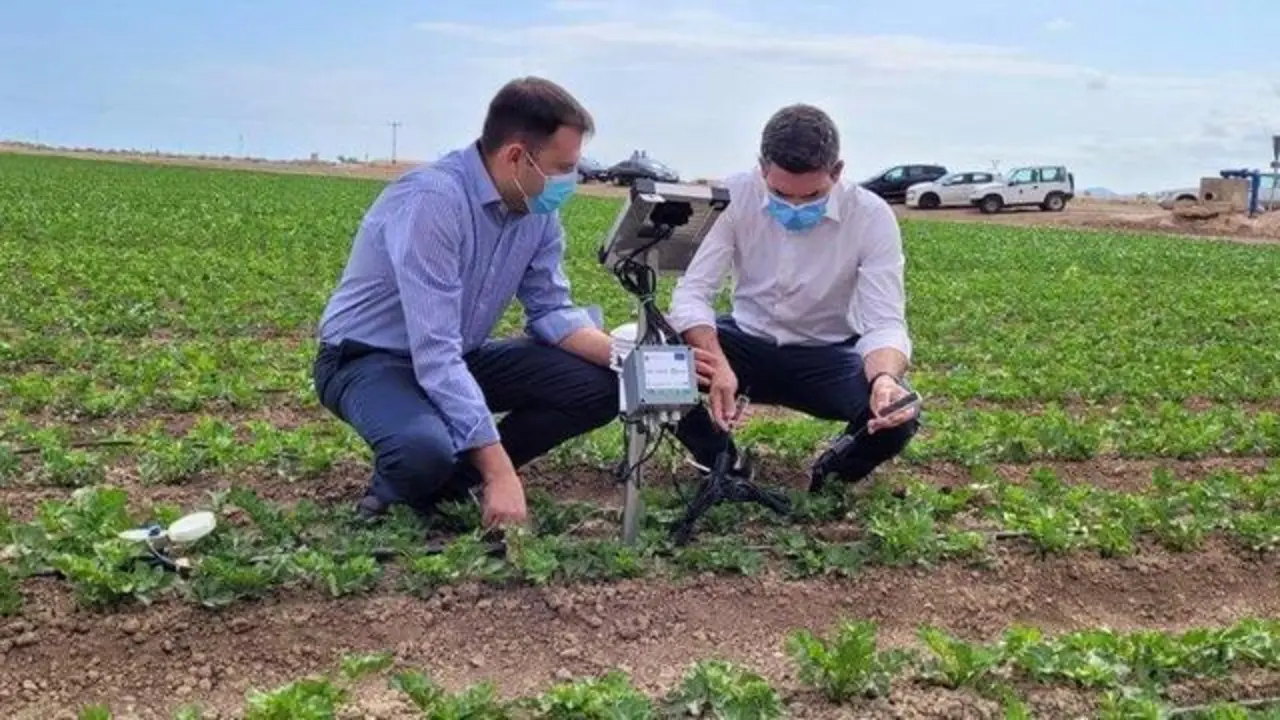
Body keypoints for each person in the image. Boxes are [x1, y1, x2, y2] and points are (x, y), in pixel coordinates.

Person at [312, 77, 621, 529]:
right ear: (516, 155)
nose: (569, 181)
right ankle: (410, 486)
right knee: (421, 453)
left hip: (460, 355)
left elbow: (552, 310)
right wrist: (501, 469)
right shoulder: (433, 201)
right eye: (562, 167)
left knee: (599, 386)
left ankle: (458, 478)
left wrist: (629, 358)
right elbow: (434, 352)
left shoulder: (538, 212)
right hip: (369, 360)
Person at [666, 103, 921, 489]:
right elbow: (692, 294)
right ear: (761, 167)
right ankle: (720, 457)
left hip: (828, 355)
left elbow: (884, 320)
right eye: (780, 194)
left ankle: (829, 475)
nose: (795, 207)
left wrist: (885, 378)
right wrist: (717, 363)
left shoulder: (871, 215)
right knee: (649, 360)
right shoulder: (732, 196)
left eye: (812, 196)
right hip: (744, 343)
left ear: (837, 172)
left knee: (899, 412)